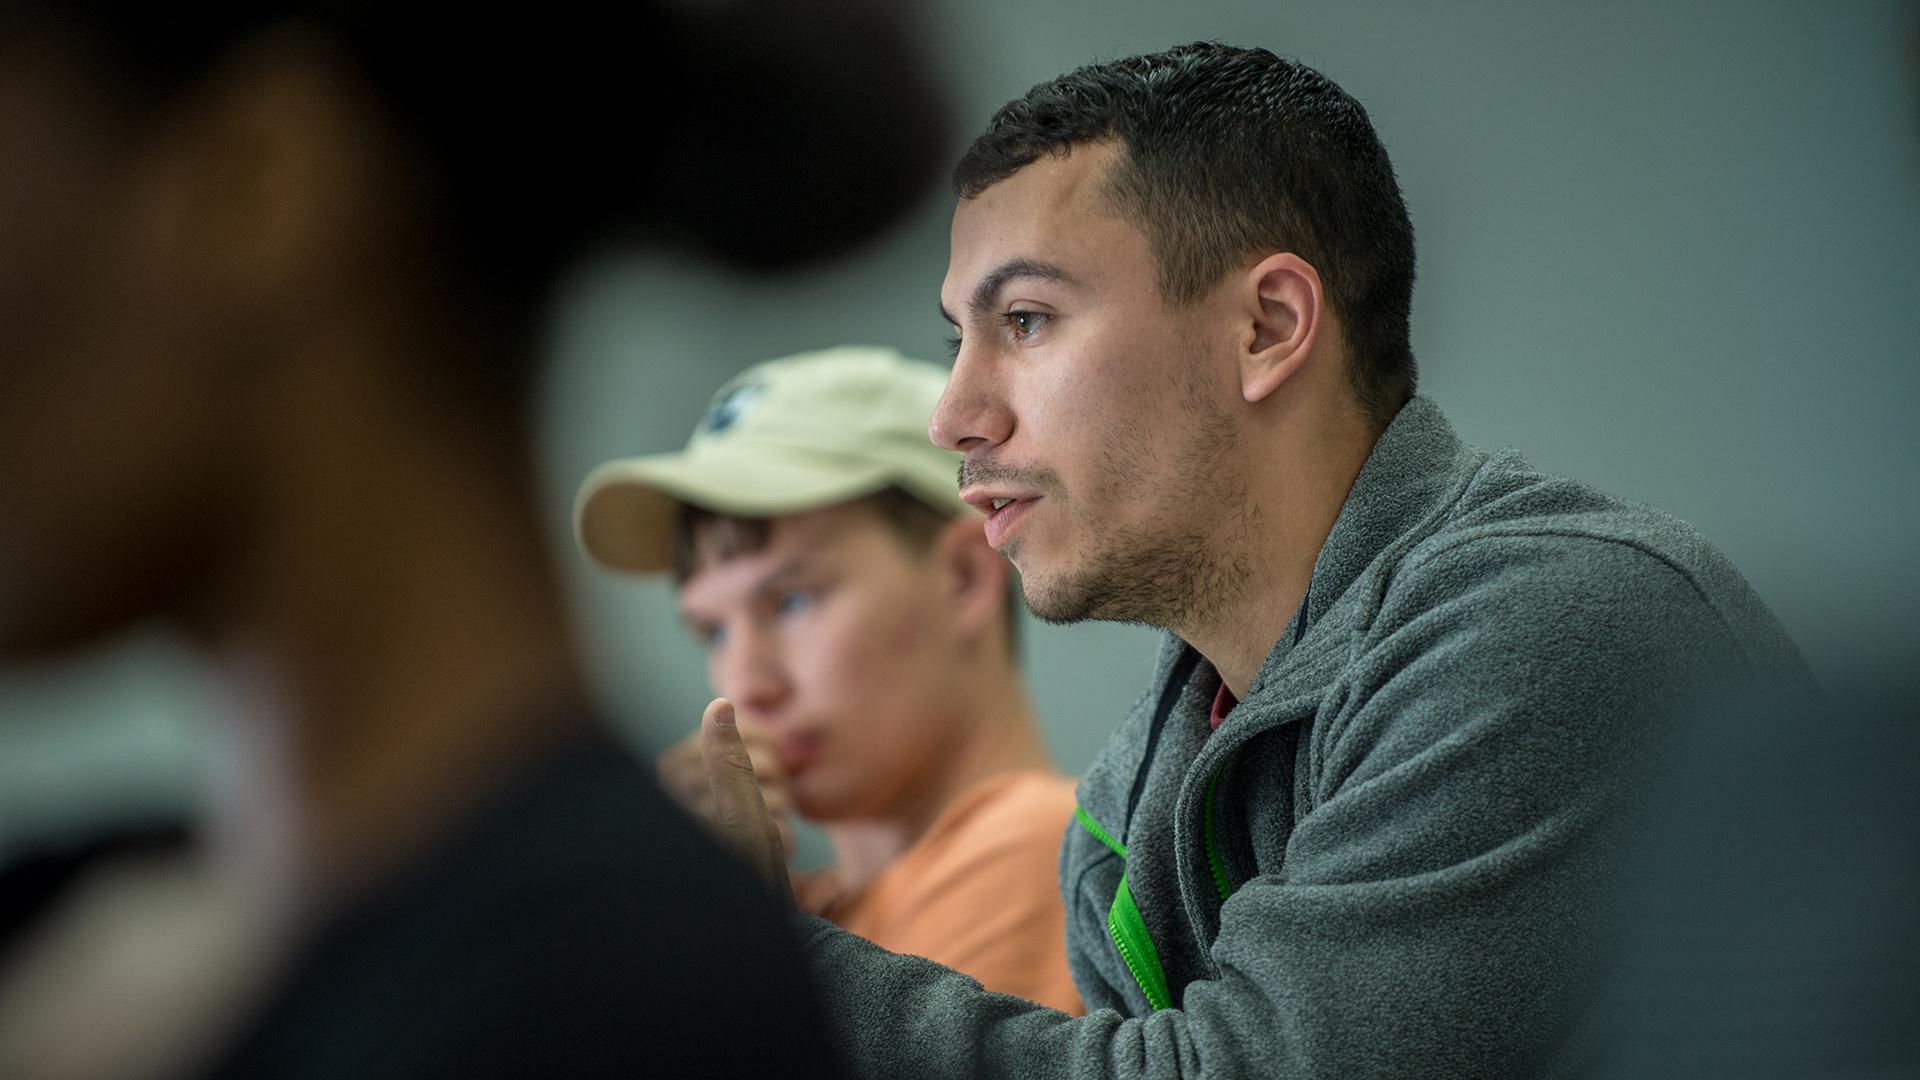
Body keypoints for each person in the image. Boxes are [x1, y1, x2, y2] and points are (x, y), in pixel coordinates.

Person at [688, 42, 1815, 1079]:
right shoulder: (1130, 802)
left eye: (1025, 321)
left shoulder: (1551, 627)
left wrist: (743, 957)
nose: (956, 416)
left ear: (1269, 327)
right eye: (958, 341)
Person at [0, 2, 945, 1078]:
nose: (750, 678)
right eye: (714, 608)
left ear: (254, 187)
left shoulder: (616, 1001)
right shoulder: (106, 923)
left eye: (794, 598)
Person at [575, 345, 1083, 1013]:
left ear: (963, 578)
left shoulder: (1032, 847)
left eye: (791, 600)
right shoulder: (807, 909)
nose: (746, 683)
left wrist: (710, 925)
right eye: (712, 630)